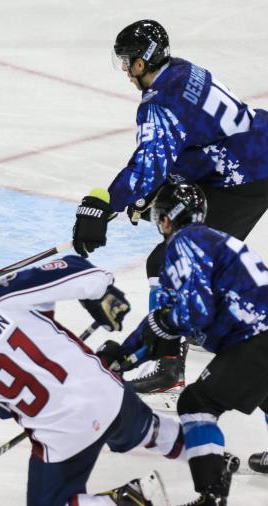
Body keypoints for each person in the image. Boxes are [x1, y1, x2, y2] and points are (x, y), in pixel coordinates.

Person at [71, 19, 268, 395]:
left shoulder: (160, 102)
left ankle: (168, 363)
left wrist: (105, 205)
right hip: (250, 159)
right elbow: (190, 143)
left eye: (128, 61)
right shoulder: (181, 71)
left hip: (246, 179)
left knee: (167, 260)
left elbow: (150, 165)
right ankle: (197, 321)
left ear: (143, 62)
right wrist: (155, 192)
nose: (126, 70)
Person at [0, 250, 185, 506]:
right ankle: (209, 458)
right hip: (109, 394)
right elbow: (74, 266)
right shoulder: (7, 293)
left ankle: (127, 501)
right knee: (151, 431)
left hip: (63, 434)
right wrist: (99, 293)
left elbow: (4, 410)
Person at [103, 180, 266, 505]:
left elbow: (194, 311)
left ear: (166, 219)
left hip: (258, 338)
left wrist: (140, 345)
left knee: (196, 404)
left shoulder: (184, 242)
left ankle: (211, 496)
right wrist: (126, 354)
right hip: (259, 336)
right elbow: (165, 319)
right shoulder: (213, 239)